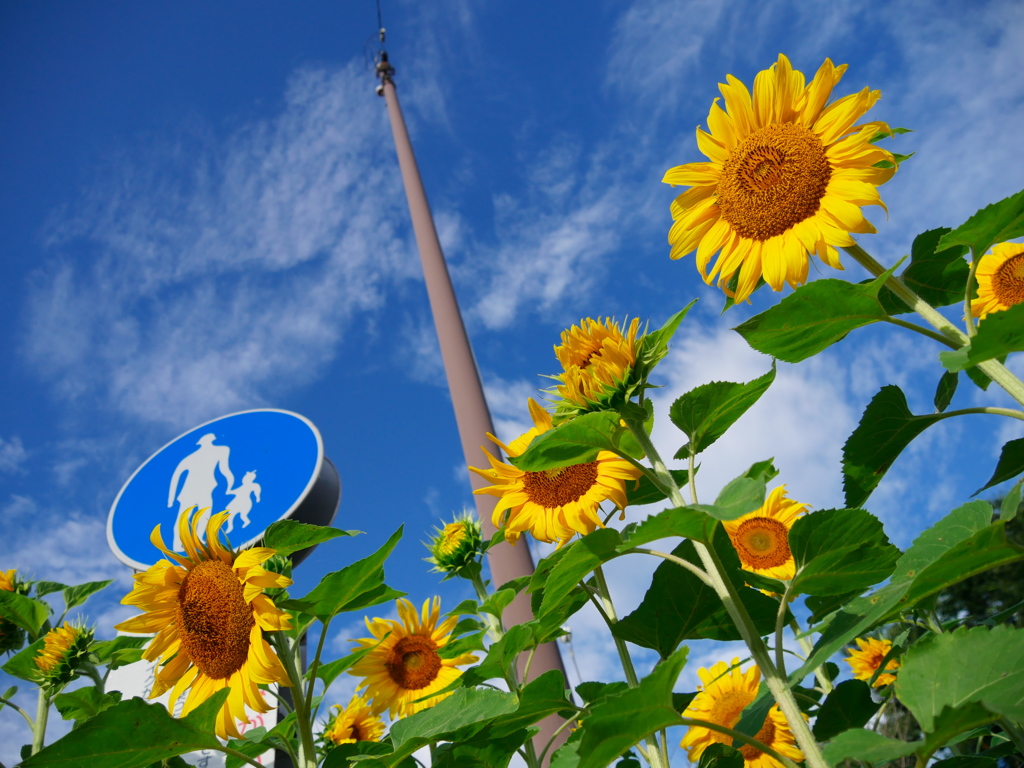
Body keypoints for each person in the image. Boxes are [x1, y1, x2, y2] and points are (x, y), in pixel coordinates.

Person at [167, 433, 235, 549]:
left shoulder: (221, 450)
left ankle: (195, 542)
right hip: (191, 490)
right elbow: (176, 476)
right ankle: (178, 545)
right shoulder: (193, 457)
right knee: (185, 518)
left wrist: (171, 499)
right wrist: (171, 499)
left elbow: (176, 477)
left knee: (197, 516)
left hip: (204, 488)